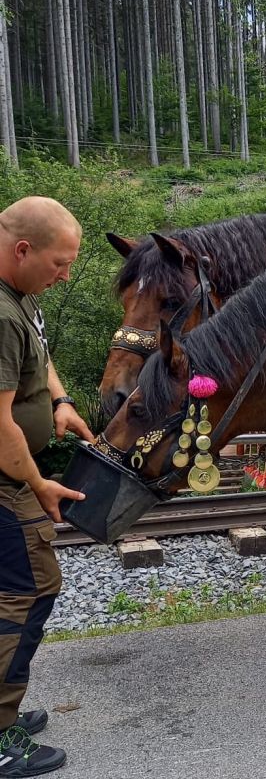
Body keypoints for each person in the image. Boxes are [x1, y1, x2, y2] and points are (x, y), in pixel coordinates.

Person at [0, 197, 93, 776]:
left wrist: (58, 400)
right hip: (7, 477)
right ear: (22, 250)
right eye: (59, 264)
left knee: (30, 586)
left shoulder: (19, 296)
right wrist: (38, 482)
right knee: (25, 592)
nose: (64, 277)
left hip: (14, 473)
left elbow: (40, 354)